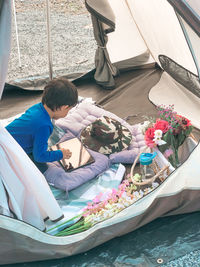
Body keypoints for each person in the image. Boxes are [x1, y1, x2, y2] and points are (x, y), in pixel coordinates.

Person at [6, 78, 78, 173]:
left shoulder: (38, 107)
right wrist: (61, 154)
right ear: (63, 107)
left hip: (5, 140)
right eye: (68, 110)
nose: (67, 113)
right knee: (42, 168)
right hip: (7, 154)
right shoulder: (44, 126)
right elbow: (40, 156)